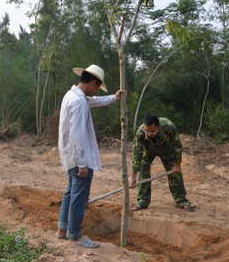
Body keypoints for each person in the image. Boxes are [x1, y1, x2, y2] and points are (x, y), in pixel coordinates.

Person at [56, 65, 126, 248]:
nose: (96, 91)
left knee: (71, 193)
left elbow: (93, 101)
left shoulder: (72, 96)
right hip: (78, 158)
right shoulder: (79, 101)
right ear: (94, 82)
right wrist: (82, 164)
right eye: (97, 86)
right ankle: (75, 236)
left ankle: (63, 230)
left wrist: (114, 98)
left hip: (68, 156)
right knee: (79, 198)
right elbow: (76, 135)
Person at [130, 114, 194, 212]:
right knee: (143, 170)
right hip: (149, 150)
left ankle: (182, 201)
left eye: (152, 131)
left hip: (166, 150)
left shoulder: (169, 126)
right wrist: (133, 176)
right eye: (147, 131)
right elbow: (137, 153)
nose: (149, 134)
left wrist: (177, 165)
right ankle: (143, 200)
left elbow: (177, 146)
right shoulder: (140, 132)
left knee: (175, 174)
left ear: (159, 127)